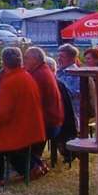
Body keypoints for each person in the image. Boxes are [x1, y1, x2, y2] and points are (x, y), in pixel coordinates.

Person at [0, 47, 45, 190]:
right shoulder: (27, 76)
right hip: (30, 127)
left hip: (17, 130)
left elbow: (2, 114)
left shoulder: (10, 81)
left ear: (3, 62)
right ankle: (32, 166)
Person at [25, 47, 64, 176]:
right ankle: (34, 161)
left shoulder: (38, 76)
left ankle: (32, 165)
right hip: (54, 121)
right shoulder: (44, 70)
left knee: (9, 131)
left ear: (35, 60)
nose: (24, 61)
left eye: (27, 58)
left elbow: (30, 103)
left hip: (48, 124)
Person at [55, 44, 83, 120]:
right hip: (60, 113)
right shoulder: (58, 72)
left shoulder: (76, 74)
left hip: (72, 116)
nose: (59, 59)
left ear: (72, 59)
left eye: (62, 57)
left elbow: (70, 94)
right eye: (58, 56)